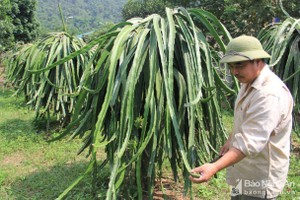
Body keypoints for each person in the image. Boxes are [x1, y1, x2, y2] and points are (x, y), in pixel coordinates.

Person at [189, 35, 294, 200]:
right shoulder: (249, 83)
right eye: (231, 66)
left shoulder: (269, 95)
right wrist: (231, 140)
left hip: (260, 180)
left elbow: (249, 143)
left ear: (258, 60)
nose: (234, 71)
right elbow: (245, 119)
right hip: (244, 171)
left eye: (240, 64)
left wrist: (214, 167)